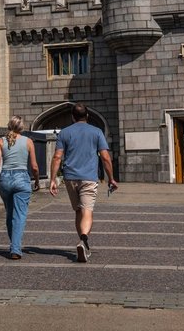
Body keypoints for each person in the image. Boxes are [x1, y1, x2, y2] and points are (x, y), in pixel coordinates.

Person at [48, 103, 118, 262]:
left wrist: (53, 179)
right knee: (87, 211)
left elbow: (57, 157)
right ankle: (84, 240)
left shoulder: (64, 133)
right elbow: (105, 158)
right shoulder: (96, 132)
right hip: (89, 178)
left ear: (72, 117)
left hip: (70, 178)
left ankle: (83, 244)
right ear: (87, 116)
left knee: (78, 211)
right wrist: (111, 178)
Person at [0, 115, 39, 259]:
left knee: (10, 214)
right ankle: (15, 248)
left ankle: (14, 244)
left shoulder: (1, 141)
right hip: (22, 179)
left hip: (5, 179)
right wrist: (37, 180)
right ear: (22, 127)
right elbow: (34, 166)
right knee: (19, 215)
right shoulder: (28, 142)